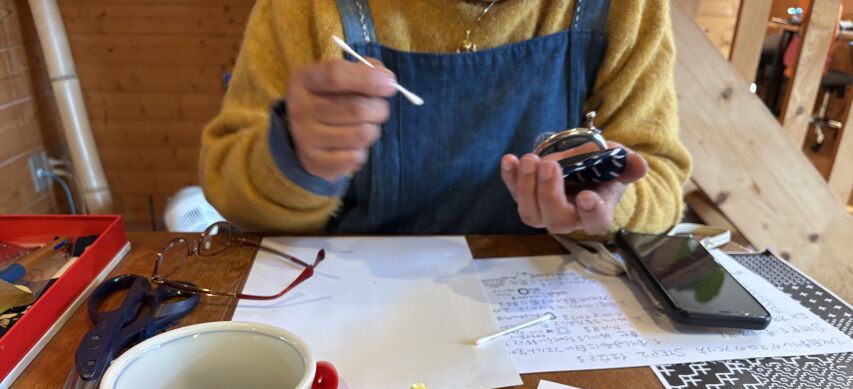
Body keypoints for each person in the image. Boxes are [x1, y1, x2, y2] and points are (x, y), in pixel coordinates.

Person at [200, 0, 691, 236]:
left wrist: (605, 206)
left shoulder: (622, 8)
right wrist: (297, 158)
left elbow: (661, 181)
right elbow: (229, 189)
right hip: (348, 316)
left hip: (544, 319)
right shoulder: (310, 8)